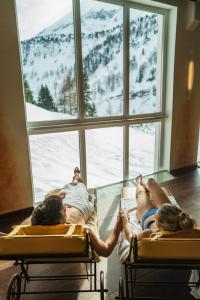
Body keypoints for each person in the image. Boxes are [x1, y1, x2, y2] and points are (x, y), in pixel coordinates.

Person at [31, 172, 123, 257]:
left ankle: (75, 179)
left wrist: (57, 200)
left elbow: (44, 210)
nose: (66, 209)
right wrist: (118, 225)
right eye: (64, 211)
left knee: (67, 189)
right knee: (80, 187)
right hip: (80, 204)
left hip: (67, 202)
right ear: (58, 220)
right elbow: (105, 250)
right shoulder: (80, 230)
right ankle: (76, 179)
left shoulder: (36, 227)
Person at [120, 175, 196, 242]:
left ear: (157, 223)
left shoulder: (150, 233)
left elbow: (130, 238)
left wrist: (125, 218)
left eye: (156, 216)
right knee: (151, 181)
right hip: (168, 216)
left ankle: (139, 183)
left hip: (147, 215)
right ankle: (146, 185)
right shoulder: (187, 229)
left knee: (142, 192)